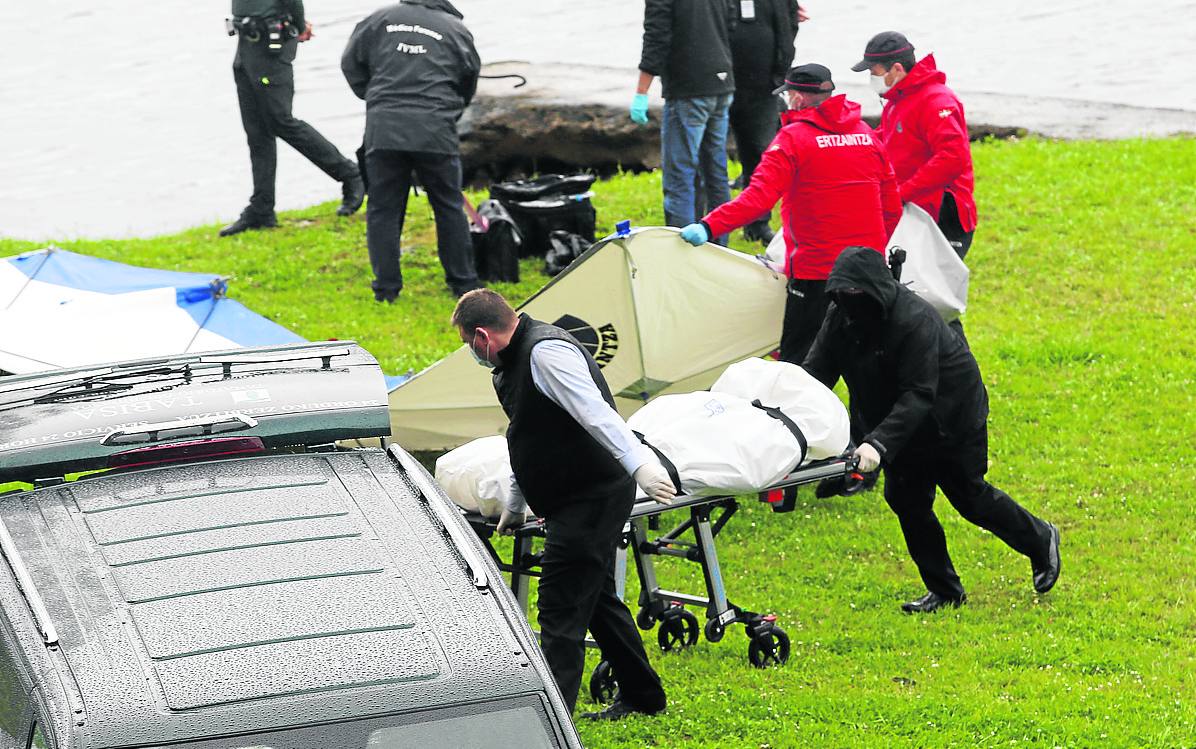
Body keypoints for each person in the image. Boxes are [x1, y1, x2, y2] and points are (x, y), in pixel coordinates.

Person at [451, 289, 673, 720]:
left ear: (481, 337)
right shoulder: (513, 364)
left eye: (467, 345)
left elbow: (597, 414)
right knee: (595, 599)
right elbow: (528, 436)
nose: (471, 353)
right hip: (573, 495)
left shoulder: (546, 354)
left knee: (559, 609)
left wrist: (640, 465)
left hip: (592, 495)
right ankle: (644, 696)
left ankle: (551, 727)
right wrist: (515, 502)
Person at [802, 246, 1061, 613]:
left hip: (950, 418)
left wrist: (876, 443)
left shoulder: (912, 321)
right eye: (843, 295)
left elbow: (919, 393)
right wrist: (788, 409)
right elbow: (817, 374)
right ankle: (944, 591)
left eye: (857, 295)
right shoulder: (840, 317)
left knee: (970, 498)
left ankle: (1041, 539)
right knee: (907, 502)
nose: (850, 303)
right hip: (895, 422)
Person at [679, 64, 901, 366]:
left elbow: (758, 199)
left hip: (816, 274)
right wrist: (873, 250)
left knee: (799, 364)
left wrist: (708, 226)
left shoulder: (792, 140)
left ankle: (798, 413)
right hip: (870, 273)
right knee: (866, 365)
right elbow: (892, 206)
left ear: (797, 98)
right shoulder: (866, 135)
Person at [342, 0, 482, 301]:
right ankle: (464, 284)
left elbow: (350, 64)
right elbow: (468, 80)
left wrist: (375, 99)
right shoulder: (456, 30)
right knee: (447, 205)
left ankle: (386, 289)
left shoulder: (378, 20)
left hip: (384, 130)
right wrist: (448, 110)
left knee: (383, 208)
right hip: (435, 131)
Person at [222, 0, 364, 237]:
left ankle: (350, 174)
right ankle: (262, 209)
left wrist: (298, 25)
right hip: (245, 46)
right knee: (257, 132)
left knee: (281, 121)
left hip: (270, 47)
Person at [852, 31, 977, 259]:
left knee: (933, 289)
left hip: (942, 213)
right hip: (911, 207)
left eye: (874, 71)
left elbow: (953, 158)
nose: (871, 76)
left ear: (897, 69)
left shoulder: (937, 101)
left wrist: (902, 193)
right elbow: (885, 138)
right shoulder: (898, 99)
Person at [632, 0, 737, 241]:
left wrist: (641, 92)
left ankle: (679, 244)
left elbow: (656, 37)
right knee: (716, 170)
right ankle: (719, 243)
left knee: (680, 173)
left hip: (689, 90)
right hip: (722, 81)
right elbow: (732, 23)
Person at [727, 0, 802, 245]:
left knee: (760, 156)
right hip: (719, 83)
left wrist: (781, 71)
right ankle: (708, 222)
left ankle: (757, 224)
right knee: (710, 156)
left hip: (763, 86)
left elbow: (790, 19)